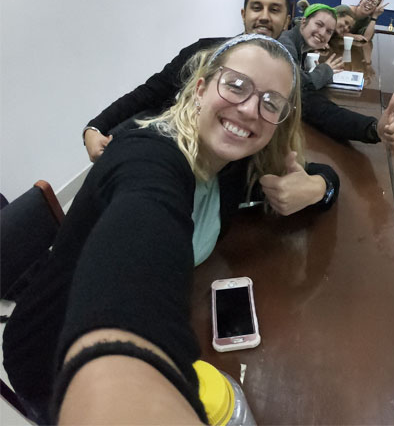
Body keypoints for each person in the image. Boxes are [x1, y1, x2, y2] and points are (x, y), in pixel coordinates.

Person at [3, 34, 339, 423]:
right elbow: (137, 253)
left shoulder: (234, 160)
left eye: (270, 103)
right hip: (51, 362)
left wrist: (316, 188)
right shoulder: (146, 154)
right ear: (200, 88)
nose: (250, 109)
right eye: (236, 86)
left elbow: (321, 175)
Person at [82, 0, 292, 162]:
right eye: (257, 8)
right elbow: (151, 91)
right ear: (244, 14)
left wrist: (313, 184)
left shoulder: (289, 80)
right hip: (170, 153)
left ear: (287, 22)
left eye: (274, 10)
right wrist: (96, 127)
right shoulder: (203, 51)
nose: (264, 16)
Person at [278, 3, 343, 90]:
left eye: (329, 31)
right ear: (304, 22)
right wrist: (325, 70)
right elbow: (297, 83)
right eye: (319, 24)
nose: (322, 33)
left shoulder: (301, 45)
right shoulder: (285, 44)